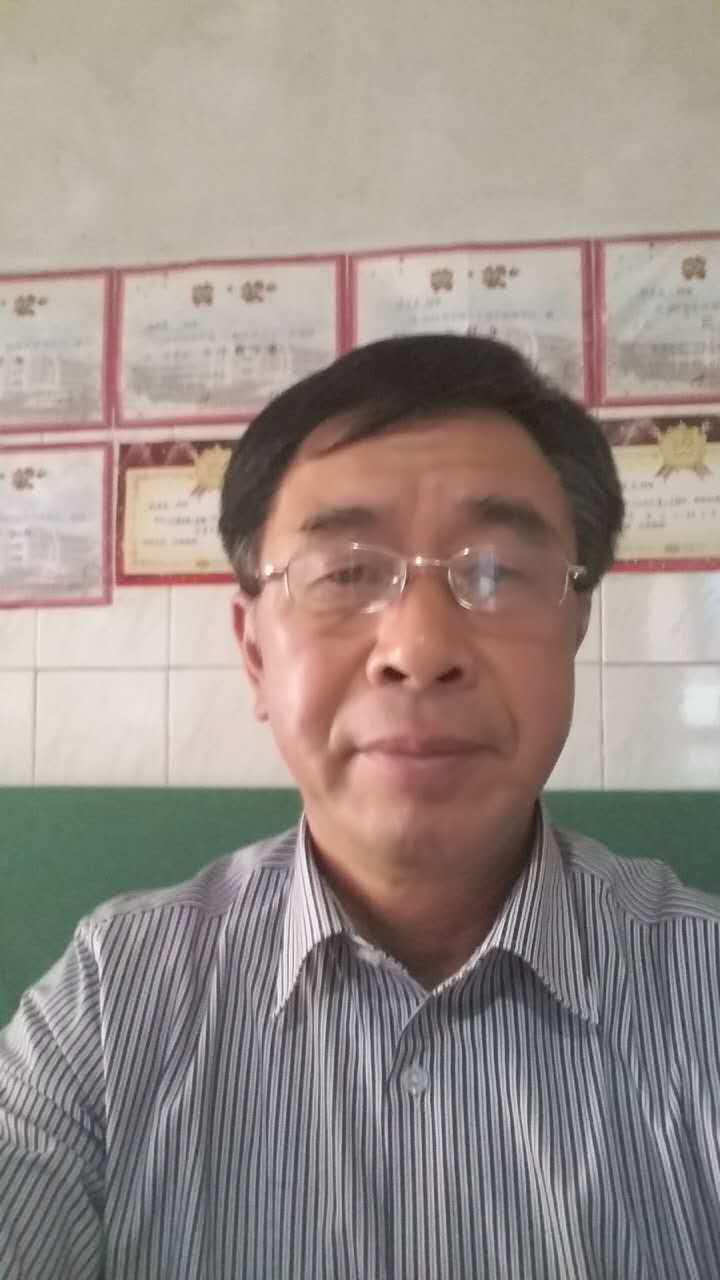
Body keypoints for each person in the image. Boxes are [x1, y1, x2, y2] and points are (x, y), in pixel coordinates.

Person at [1, 334, 718, 1279]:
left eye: (497, 571)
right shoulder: (108, 1006)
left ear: (574, 626)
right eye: (345, 573)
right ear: (254, 652)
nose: (419, 649)